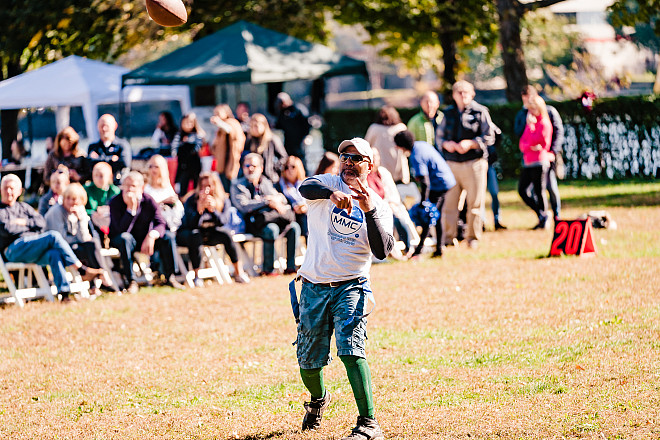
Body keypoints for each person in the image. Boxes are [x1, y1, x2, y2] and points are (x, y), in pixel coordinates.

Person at [293, 137, 393, 440]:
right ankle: (318, 400)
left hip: (352, 285)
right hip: (313, 285)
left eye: (356, 158)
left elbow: (382, 250)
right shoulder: (326, 183)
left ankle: (368, 422)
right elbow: (304, 188)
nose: (348, 162)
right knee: (308, 361)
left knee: (351, 350)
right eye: (344, 156)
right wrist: (333, 192)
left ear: (369, 165)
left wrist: (369, 210)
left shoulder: (379, 205)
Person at [0, 174, 103, 301]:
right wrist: (29, 226)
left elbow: (41, 223)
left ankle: (64, 295)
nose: (9, 191)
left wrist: (22, 222)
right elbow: (7, 230)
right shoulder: (1, 211)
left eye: (12, 188)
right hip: (13, 249)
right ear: (1, 189)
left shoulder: (24, 207)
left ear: (19, 191)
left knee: (54, 254)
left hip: (32, 247)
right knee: (53, 236)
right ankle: (81, 269)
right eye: (6, 188)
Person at [436, 80, 495, 249]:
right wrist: (446, 144)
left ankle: (473, 238)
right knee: (449, 204)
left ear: (472, 94)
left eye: (466, 93)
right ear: (454, 95)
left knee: (475, 203)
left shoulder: (480, 112)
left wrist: (471, 143)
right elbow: (439, 137)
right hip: (452, 164)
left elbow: (489, 136)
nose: (462, 96)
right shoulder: (447, 114)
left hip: (474, 163)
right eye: (459, 93)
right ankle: (448, 238)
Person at [109, 171, 185, 294]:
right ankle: (131, 281)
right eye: (126, 185)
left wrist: (152, 235)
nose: (129, 189)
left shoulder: (148, 200)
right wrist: (130, 210)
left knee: (168, 236)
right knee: (125, 238)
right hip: (123, 240)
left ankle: (169, 276)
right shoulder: (116, 202)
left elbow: (161, 223)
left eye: (133, 186)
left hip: (145, 239)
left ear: (141, 188)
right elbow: (121, 230)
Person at [230, 153, 300, 276]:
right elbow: (244, 205)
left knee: (294, 227)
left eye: (254, 165)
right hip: (251, 223)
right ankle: (268, 270)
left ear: (261, 168)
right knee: (271, 229)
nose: (250, 168)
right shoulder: (238, 184)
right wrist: (267, 201)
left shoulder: (265, 182)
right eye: (247, 165)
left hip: (270, 219)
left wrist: (276, 199)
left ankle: (290, 267)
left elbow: (281, 199)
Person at [177, 172, 250, 286]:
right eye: (203, 186)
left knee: (226, 234)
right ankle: (197, 276)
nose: (206, 190)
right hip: (191, 234)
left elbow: (223, 222)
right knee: (195, 236)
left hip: (211, 233)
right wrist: (199, 210)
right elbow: (190, 224)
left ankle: (238, 272)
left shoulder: (222, 199)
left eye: (209, 186)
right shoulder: (192, 199)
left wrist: (213, 210)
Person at [394, 130, 456, 258]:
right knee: (436, 216)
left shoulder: (416, 155)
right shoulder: (421, 145)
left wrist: (423, 202)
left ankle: (419, 250)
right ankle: (439, 249)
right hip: (447, 179)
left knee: (428, 215)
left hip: (439, 184)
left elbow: (425, 182)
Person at [44, 183, 114, 295]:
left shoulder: (79, 211)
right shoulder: (56, 212)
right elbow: (60, 240)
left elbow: (84, 238)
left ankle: (98, 280)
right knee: (90, 247)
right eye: (68, 198)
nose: (71, 202)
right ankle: (102, 277)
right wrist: (76, 238)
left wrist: (81, 219)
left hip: (73, 246)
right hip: (59, 249)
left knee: (92, 244)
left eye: (74, 199)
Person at [515, 85, 565, 221]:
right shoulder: (524, 114)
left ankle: (556, 215)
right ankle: (543, 215)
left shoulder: (548, 113)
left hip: (546, 156)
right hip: (530, 158)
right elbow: (521, 136)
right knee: (534, 189)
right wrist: (527, 122)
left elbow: (556, 133)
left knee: (550, 187)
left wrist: (552, 151)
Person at [367, 148, 418, 258]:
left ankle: (409, 248)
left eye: (376, 156)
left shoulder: (383, 172)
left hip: (389, 205)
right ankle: (392, 252)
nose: (375, 159)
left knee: (399, 216)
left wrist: (391, 203)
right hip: (374, 208)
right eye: (372, 157)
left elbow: (392, 192)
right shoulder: (364, 176)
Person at [518, 95, 553, 229]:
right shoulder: (530, 124)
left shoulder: (544, 123)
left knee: (539, 190)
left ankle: (544, 219)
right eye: (530, 109)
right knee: (522, 190)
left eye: (534, 108)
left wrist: (531, 130)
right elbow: (523, 144)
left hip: (539, 161)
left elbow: (541, 142)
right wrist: (530, 144)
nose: (531, 111)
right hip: (528, 161)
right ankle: (541, 214)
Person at [364, 105, 409, 183]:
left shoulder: (374, 129)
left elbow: (365, 148)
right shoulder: (401, 128)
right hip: (399, 173)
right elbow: (407, 151)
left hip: (380, 171)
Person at [145, 154, 184, 234]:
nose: (153, 170)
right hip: (153, 226)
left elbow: (179, 209)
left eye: (156, 167)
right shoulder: (146, 188)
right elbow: (144, 209)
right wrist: (163, 202)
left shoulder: (167, 188)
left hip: (170, 224)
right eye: (150, 167)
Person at [88, 114, 132, 184]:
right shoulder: (93, 147)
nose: (104, 129)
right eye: (101, 126)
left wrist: (99, 158)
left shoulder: (122, 145)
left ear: (115, 126)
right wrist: (111, 159)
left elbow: (124, 164)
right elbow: (89, 165)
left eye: (107, 126)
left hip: (117, 184)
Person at [211, 104, 246, 192]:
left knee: (234, 188)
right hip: (222, 163)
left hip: (233, 162)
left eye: (218, 113)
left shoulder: (232, 122)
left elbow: (229, 130)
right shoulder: (219, 129)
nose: (216, 115)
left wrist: (219, 122)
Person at [246, 113, 288, 183]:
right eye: (252, 126)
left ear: (264, 125)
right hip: (253, 179)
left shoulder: (272, 139)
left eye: (256, 126)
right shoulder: (249, 141)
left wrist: (274, 167)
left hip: (270, 178)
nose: (254, 128)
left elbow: (284, 157)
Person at [275, 92, 311, 171]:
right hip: (288, 141)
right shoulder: (282, 112)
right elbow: (279, 125)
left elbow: (307, 123)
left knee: (300, 159)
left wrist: (307, 136)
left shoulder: (298, 109)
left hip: (299, 140)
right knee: (288, 160)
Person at [84, 162, 120, 241]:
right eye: (95, 176)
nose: (98, 179)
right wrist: (92, 213)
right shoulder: (86, 189)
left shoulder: (115, 191)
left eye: (101, 176)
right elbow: (80, 209)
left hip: (110, 225)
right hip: (92, 225)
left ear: (109, 176)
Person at [172, 113, 205, 197]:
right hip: (183, 166)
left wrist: (189, 145)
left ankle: (195, 199)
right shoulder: (179, 135)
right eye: (185, 122)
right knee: (183, 185)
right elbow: (174, 149)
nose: (188, 125)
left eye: (190, 122)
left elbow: (199, 146)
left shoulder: (197, 135)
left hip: (195, 164)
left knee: (196, 185)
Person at [276, 155, 308, 238]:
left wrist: (304, 207)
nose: (289, 170)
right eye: (286, 167)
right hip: (289, 216)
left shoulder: (306, 183)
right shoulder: (279, 185)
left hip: (306, 214)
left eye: (293, 167)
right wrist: (294, 207)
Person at [486, 124, 507, 230]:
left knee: (494, 193)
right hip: (475, 163)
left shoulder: (489, 125)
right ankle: (480, 222)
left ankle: (497, 220)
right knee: (477, 196)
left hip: (489, 164)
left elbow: (499, 134)